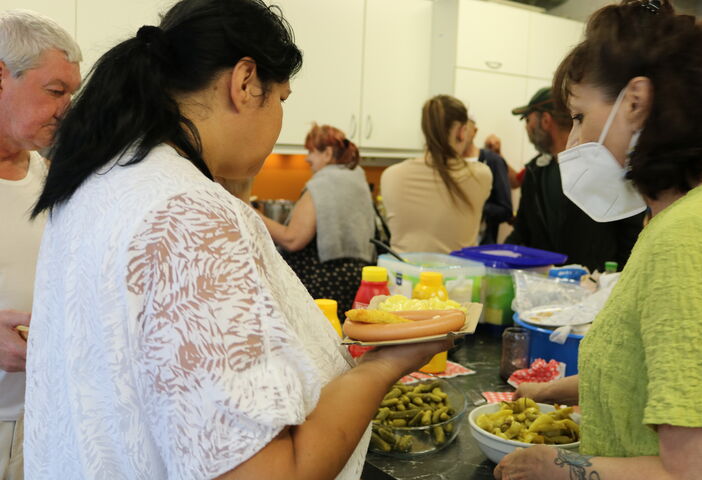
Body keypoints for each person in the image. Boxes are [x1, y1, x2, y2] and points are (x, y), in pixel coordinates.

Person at [25, 1, 449, 479]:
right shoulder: (187, 215)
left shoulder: (97, 179)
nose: (280, 121)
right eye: (282, 99)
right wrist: (382, 366)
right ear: (246, 83)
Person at [495, 1, 702, 478]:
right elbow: (659, 373)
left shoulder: (685, 235)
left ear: (635, 102)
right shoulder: (678, 219)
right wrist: (547, 391)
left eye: (577, 117)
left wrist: (559, 466)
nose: (570, 143)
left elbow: (698, 470)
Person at [0, 10, 81, 480]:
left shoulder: (53, 180)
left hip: (45, 424)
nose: (67, 107)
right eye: (55, 91)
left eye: (73, 93)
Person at [504, 86, 645, 272]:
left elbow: (630, 235)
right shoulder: (535, 171)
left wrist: (611, 283)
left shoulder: (605, 169)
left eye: (527, 119)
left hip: (593, 290)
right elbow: (523, 232)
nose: (526, 127)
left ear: (545, 120)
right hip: (543, 289)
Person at [259, 124, 376, 314]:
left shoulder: (324, 184)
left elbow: (293, 239)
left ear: (327, 153)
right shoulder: (356, 178)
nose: (307, 158)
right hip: (354, 280)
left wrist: (252, 212)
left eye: (311, 151)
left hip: (323, 284)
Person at [381, 95, 492, 254]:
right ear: (462, 132)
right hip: (458, 277)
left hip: (404, 276)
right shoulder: (481, 175)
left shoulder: (391, 175)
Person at [461, 120, 513, 244]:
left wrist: (472, 206)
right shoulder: (445, 163)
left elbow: (505, 210)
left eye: (465, 127)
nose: (460, 133)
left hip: (481, 246)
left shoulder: (493, 161)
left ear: (475, 130)